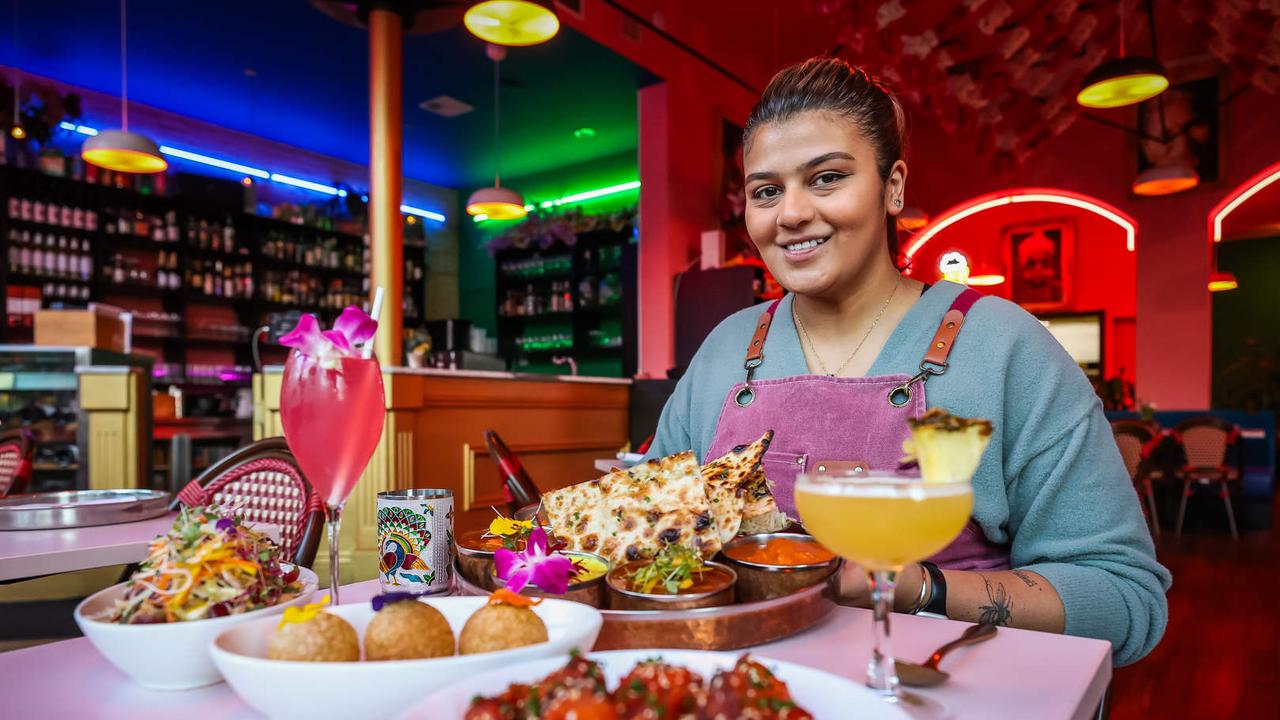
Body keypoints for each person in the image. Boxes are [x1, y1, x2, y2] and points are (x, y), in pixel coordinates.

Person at [643, 57, 1170, 666]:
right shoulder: (724, 351)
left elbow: (1124, 598)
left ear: (893, 186)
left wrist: (922, 587)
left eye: (826, 178)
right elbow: (652, 531)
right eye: (766, 191)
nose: (789, 214)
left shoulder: (1005, 349)